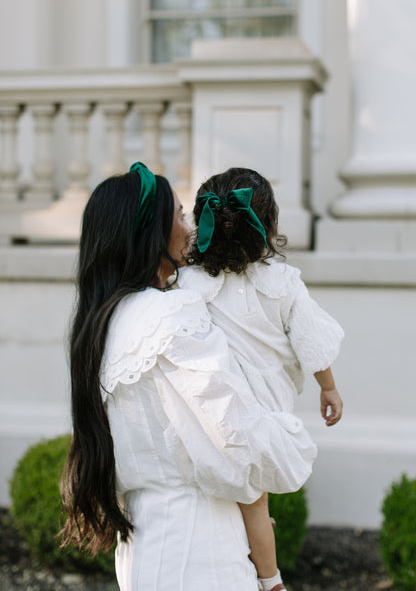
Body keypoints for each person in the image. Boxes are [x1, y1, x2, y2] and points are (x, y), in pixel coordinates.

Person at [60, 162, 318, 591]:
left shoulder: (102, 325)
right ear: (152, 235)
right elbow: (234, 436)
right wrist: (290, 439)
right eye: (180, 216)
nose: (191, 227)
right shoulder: (172, 313)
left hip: (142, 544)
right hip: (199, 547)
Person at [179, 167, 345, 591]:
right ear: (267, 226)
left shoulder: (187, 282)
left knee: (235, 495)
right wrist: (328, 387)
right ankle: (270, 580)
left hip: (213, 408)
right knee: (254, 501)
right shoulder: (283, 283)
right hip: (264, 414)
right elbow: (311, 341)